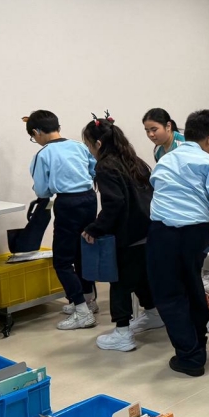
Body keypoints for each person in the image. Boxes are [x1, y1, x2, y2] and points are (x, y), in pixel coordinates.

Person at [148, 110, 209, 377]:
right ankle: (197, 343)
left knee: (170, 293)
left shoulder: (166, 159)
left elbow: (156, 187)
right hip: (196, 233)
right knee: (192, 285)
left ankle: (190, 357)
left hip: (163, 233)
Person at [80, 115, 161, 352]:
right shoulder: (133, 160)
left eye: (89, 145)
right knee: (141, 276)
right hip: (148, 229)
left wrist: (94, 229)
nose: (90, 150)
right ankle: (154, 314)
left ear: (98, 144)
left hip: (128, 234)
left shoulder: (106, 166)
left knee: (120, 282)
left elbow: (114, 204)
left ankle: (123, 333)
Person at [25, 110, 98, 331]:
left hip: (68, 204)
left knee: (63, 261)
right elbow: (94, 170)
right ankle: (88, 300)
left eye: (33, 137)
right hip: (89, 199)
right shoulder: (80, 146)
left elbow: (42, 190)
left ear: (37, 132)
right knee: (83, 251)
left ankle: (81, 311)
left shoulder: (43, 154)